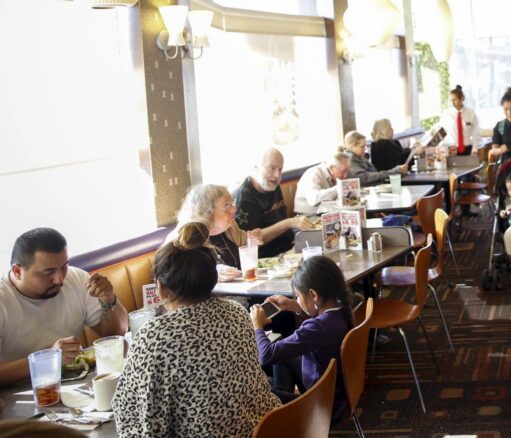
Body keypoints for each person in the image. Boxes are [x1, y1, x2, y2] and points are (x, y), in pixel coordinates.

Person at [113, 222, 280, 437]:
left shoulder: (154, 336)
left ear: (161, 288)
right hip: (264, 429)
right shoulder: (236, 312)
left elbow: (140, 418)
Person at [0, 228, 128, 387]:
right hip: (18, 396)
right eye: (48, 272)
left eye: (63, 267)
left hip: (75, 385)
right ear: (18, 271)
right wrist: (48, 359)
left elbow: (116, 335)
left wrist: (108, 299)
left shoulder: (78, 279)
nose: (59, 280)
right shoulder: (3, 300)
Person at [250, 256, 354, 424]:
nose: (297, 299)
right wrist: (296, 306)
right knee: (282, 355)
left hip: (323, 406)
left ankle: (286, 413)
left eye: (298, 295)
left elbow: (266, 355)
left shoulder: (316, 328)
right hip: (337, 393)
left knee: (259, 393)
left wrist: (258, 326)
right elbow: (319, 323)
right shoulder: (341, 309)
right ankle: (287, 413)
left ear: (313, 294)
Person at [234, 148, 314, 258]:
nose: (277, 175)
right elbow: (251, 241)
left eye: (280, 169)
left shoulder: (274, 187)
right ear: (256, 167)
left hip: (289, 249)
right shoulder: (244, 197)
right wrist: (289, 222)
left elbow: (284, 222)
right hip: (267, 258)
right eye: (272, 168)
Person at [294, 150, 352, 215]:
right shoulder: (313, 173)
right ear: (331, 168)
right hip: (307, 215)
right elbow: (313, 199)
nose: (345, 175)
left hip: (326, 212)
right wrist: (339, 188)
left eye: (347, 171)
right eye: (343, 171)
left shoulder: (335, 175)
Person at [440, 84, 481, 156]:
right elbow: (441, 131)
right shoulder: (447, 114)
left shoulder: (470, 113)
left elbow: (475, 132)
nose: (452, 103)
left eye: (455, 99)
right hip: (452, 149)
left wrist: (474, 149)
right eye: (451, 100)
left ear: (462, 98)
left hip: (468, 148)